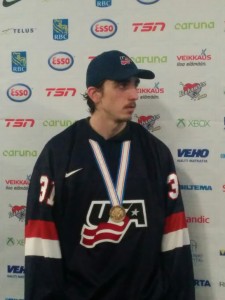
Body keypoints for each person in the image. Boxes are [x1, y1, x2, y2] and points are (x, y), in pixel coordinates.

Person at [25, 50, 195, 300]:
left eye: (135, 84)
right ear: (95, 94)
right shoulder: (59, 154)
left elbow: (175, 240)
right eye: (121, 85)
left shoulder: (156, 153)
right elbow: (42, 247)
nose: (135, 94)